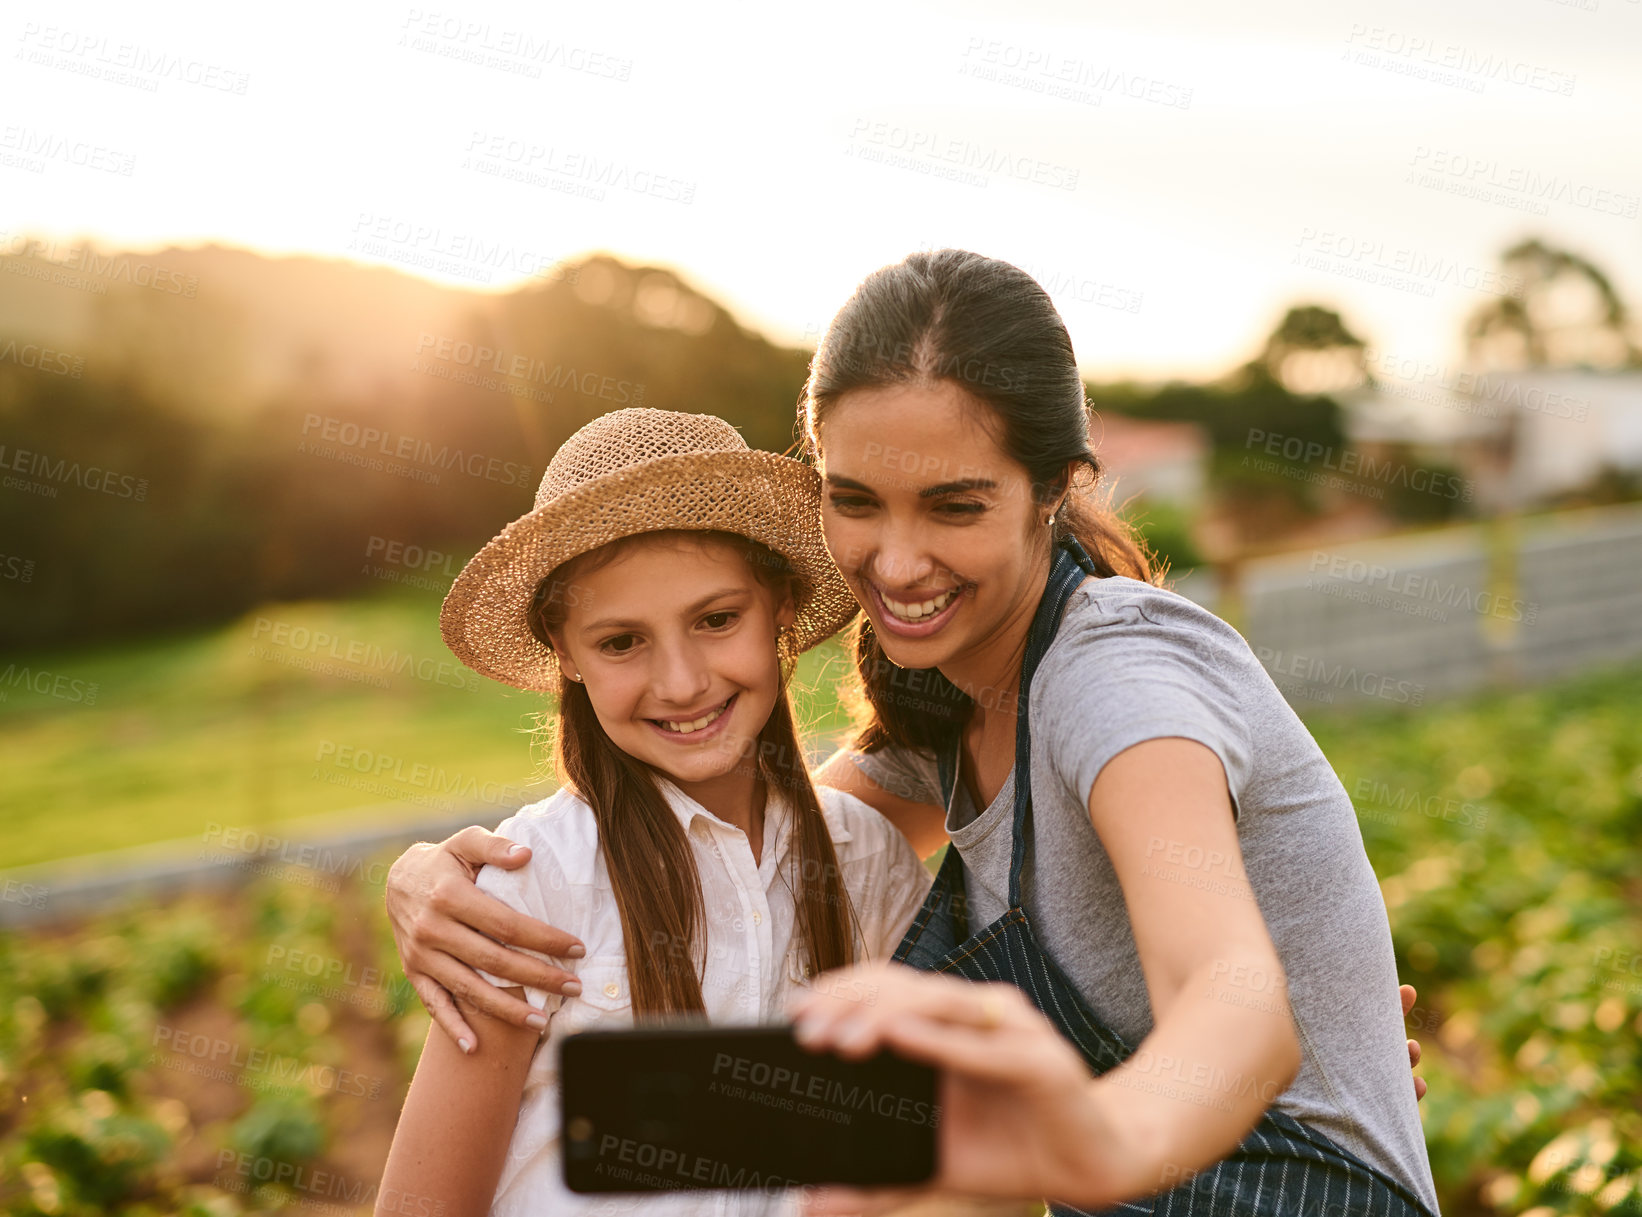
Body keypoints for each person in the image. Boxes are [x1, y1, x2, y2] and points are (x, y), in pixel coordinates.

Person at [383, 251, 1437, 1215]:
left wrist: (1104, 1135)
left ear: (1055, 487)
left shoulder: (1118, 673)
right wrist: (433, 878)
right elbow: (759, 844)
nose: (894, 562)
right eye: (856, 500)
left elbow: (1233, 995)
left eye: (953, 506)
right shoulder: (938, 717)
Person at [377, 408, 933, 1217]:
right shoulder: (528, 885)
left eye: (716, 620)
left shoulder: (866, 859)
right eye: (621, 642)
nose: (679, 682)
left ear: (780, 605)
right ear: (564, 652)